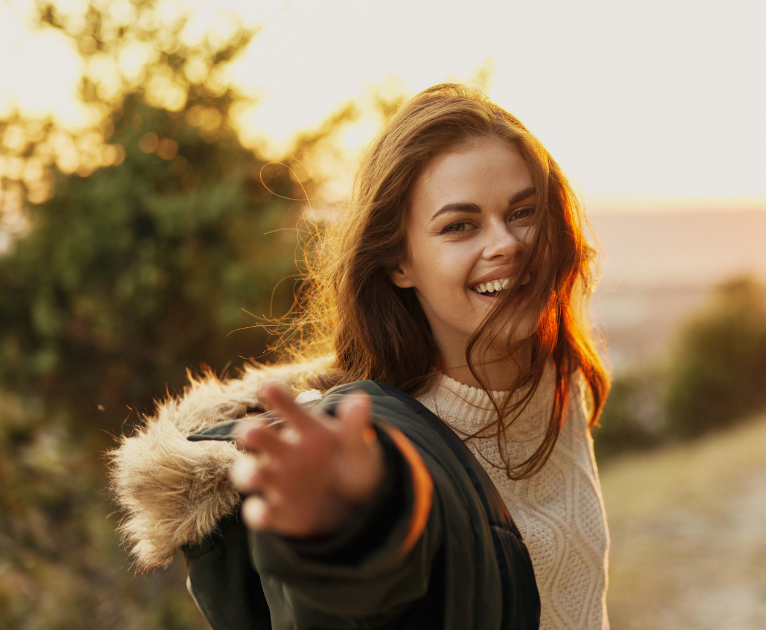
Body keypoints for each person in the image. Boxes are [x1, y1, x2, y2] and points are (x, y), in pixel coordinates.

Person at [109, 83, 612, 630]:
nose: (507, 243)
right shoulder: (373, 440)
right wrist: (339, 527)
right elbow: (363, 580)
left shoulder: (558, 375)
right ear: (400, 263)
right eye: (459, 226)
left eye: (523, 212)